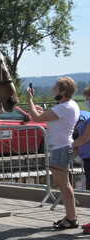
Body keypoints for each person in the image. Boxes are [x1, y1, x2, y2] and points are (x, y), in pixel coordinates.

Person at [28, 77, 80, 229]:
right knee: (64, 184)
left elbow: (36, 118)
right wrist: (43, 112)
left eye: (55, 88)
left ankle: (71, 218)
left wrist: (30, 100)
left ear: (63, 91)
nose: (53, 90)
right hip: (62, 147)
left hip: (60, 148)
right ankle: (71, 216)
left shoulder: (63, 107)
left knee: (63, 185)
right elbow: (54, 119)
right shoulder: (69, 105)